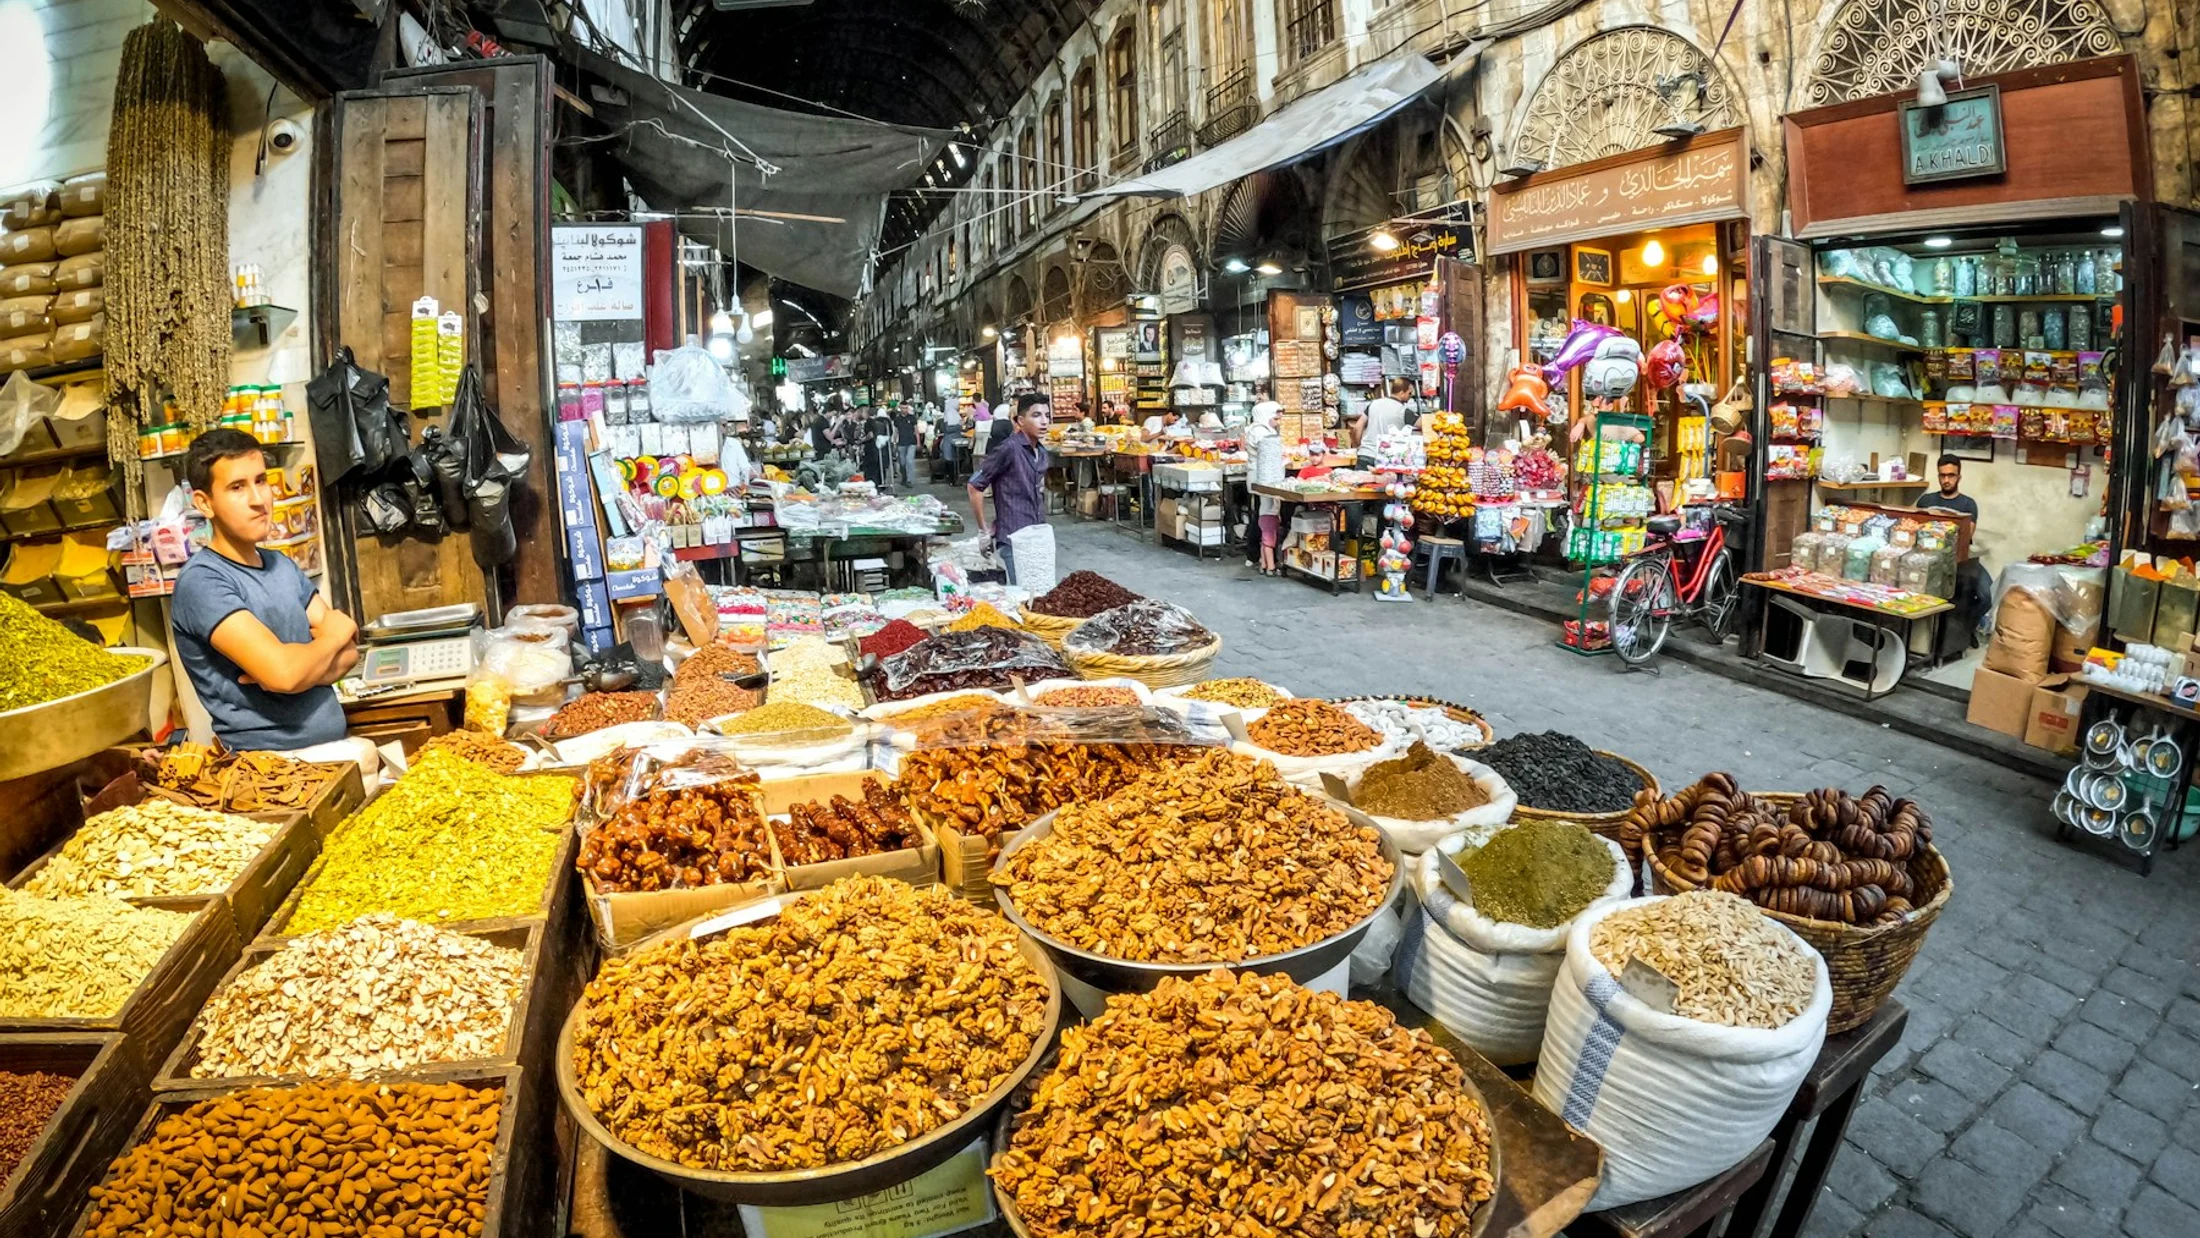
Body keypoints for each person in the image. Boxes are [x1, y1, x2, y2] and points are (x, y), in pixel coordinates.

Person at [170, 430, 357, 750]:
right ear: (204, 503)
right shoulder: (203, 583)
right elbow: (284, 674)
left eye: (261, 481)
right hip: (271, 771)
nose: (258, 500)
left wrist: (299, 672)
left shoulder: (281, 566)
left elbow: (350, 653)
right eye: (237, 487)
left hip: (335, 749)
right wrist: (334, 635)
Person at [968, 393, 1052, 585]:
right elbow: (974, 486)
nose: (1044, 421)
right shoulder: (1009, 448)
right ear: (1021, 421)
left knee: (1040, 597)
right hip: (1014, 539)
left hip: (1037, 535)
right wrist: (983, 530)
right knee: (1023, 599)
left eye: (1047, 416)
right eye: (1036, 415)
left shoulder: (1041, 452)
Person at [1245, 388, 1286, 576]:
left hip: (1265, 477)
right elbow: (1270, 456)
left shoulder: (1262, 430)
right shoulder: (1260, 432)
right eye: (1275, 418)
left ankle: (1261, 557)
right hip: (1263, 478)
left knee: (1264, 512)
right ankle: (1262, 557)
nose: (1277, 422)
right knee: (1267, 514)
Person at [1915, 454, 1980, 520]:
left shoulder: (1968, 504)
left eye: (1951, 475)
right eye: (1942, 475)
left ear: (1959, 478)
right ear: (1938, 477)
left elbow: (1968, 530)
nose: (1946, 480)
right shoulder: (1925, 500)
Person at [892, 401, 920, 487]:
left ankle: (909, 480)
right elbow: (896, 432)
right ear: (900, 408)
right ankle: (904, 477)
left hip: (912, 442)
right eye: (903, 408)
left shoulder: (912, 418)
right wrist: (894, 443)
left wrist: (918, 442)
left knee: (909, 461)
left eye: (906, 408)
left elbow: (916, 431)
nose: (904, 410)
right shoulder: (897, 420)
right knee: (902, 463)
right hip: (901, 443)